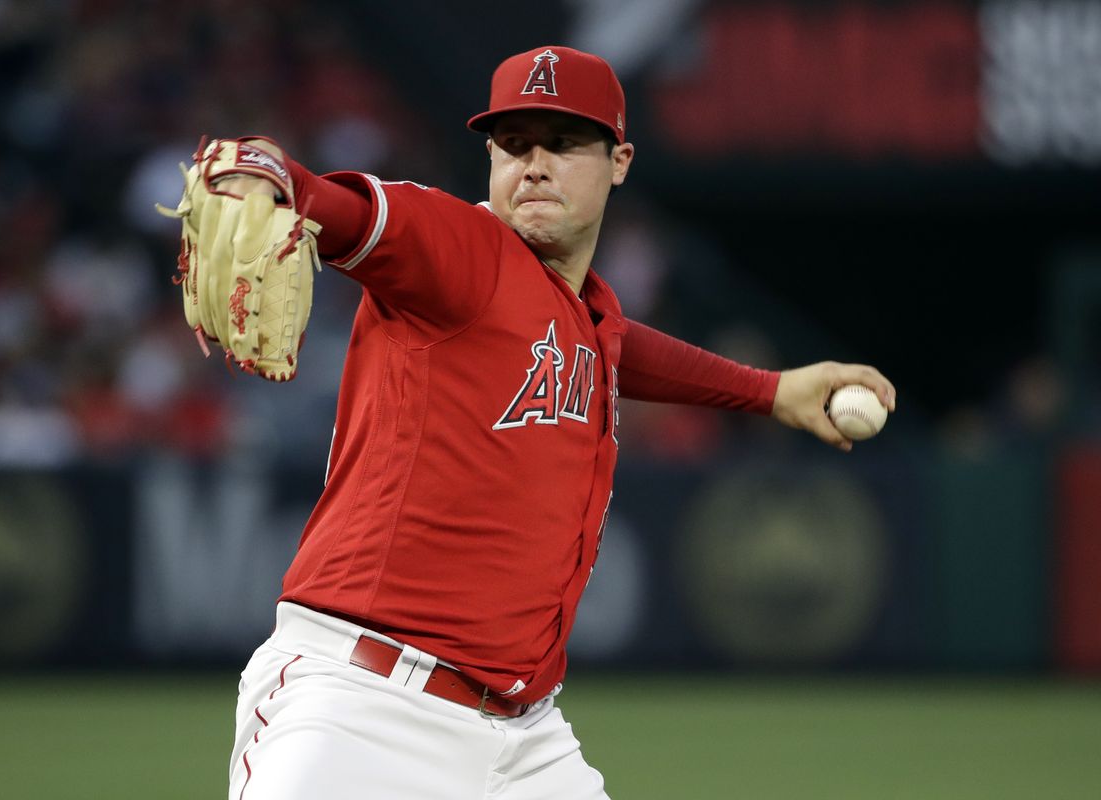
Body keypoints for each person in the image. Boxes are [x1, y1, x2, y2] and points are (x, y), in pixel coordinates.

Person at [213, 45, 895, 800]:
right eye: (514, 144)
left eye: (564, 143)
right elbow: (348, 210)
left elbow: (620, 349)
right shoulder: (460, 252)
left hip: (525, 739)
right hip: (362, 708)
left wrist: (769, 391)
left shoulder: (582, 314)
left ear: (620, 160)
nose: (534, 164)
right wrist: (267, 172)